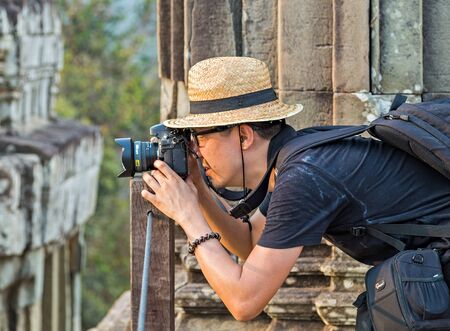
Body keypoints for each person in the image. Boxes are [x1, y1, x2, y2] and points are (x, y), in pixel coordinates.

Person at [140, 56, 450, 321]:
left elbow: (245, 301)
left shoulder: (304, 175)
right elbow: (251, 245)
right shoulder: (297, 158)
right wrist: (199, 190)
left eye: (200, 137)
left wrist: (188, 215)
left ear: (244, 136)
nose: (195, 150)